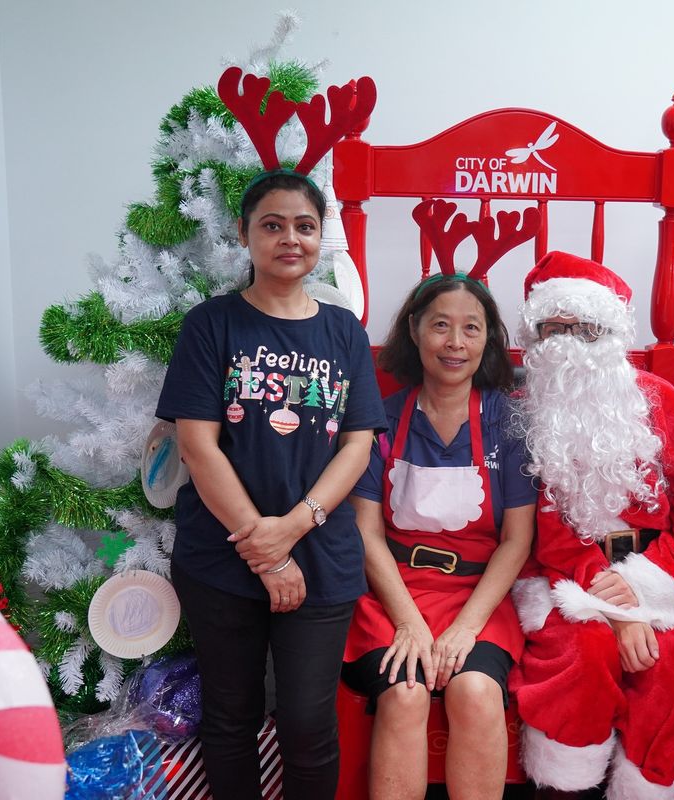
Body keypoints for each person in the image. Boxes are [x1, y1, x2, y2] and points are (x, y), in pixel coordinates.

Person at [156, 169, 387, 799]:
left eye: (305, 227)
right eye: (273, 225)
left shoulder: (343, 330)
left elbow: (359, 442)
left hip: (319, 557)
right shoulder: (212, 325)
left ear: (320, 238)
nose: (291, 239)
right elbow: (198, 446)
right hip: (222, 560)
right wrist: (262, 546)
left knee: (309, 724)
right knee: (231, 719)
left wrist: (290, 531)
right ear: (245, 234)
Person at [508, 251, 674, 800]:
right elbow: (538, 531)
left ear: (608, 334)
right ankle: (564, 790)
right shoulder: (520, 412)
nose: (565, 343)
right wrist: (611, 607)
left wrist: (641, 587)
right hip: (562, 579)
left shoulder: (665, 407)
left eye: (582, 329)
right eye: (552, 329)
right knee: (583, 652)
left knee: (670, 664)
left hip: (660, 575)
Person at [341, 273, 536, 799]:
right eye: (441, 326)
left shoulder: (508, 423)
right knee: (404, 692)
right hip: (392, 591)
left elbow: (517, 540)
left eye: (472, 328)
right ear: (414, 329)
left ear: (488, 339)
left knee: (475, 691)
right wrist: (408, 622)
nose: (455, 343)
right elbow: (366, 529)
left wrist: (465, 629)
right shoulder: (379, 420)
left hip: (477, 596)